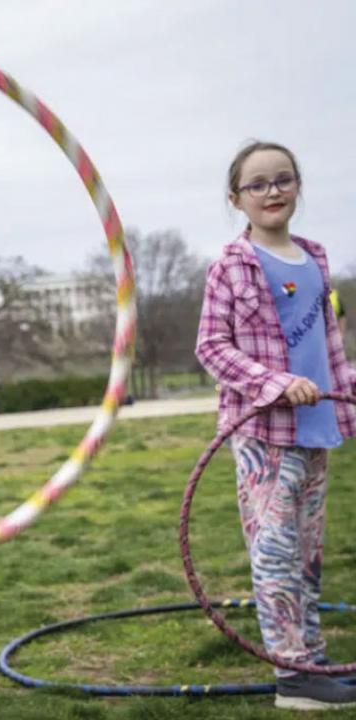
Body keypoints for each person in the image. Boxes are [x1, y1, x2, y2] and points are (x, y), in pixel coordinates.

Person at [195, 141, 356, 711]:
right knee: (275, 549)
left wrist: (347, 390)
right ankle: (292, 676)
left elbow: (327, 343)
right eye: (258, 184)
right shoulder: (231, 266)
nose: (273, 192)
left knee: (309, 549)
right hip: (265, 431)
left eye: (283, 179)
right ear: (236, 198)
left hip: (316, 426)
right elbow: (211, 347)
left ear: (299, 187)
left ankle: (312, 658)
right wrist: (273, 384)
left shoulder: (314, 257)